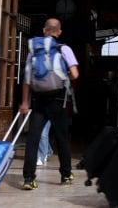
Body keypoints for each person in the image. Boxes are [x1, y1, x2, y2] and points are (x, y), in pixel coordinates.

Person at [20, 17, 80, 190]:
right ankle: (66, 175)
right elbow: (75, 74)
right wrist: (62, 78)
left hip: (39, 100)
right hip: (58, 100)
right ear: (59, 32)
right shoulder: (64, 49)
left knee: (33, 139)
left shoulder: (34, 50)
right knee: (62, 138)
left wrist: (25, 102)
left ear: (44, 31)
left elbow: (27, 79)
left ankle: (29, 178)